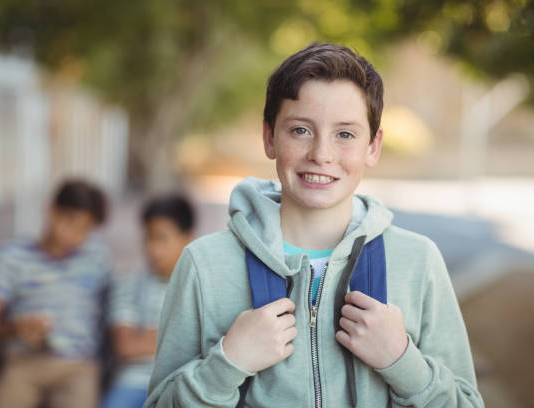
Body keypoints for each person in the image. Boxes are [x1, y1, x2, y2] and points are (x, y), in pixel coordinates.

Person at [145, 43, 485, 407]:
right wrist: (227, 364)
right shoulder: (204, 264)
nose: (322, 154)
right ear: (269, 137)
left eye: (345, 134)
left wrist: (402, 362)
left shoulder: (419, 262)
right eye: (301, 130)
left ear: (373, 146)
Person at [0, 179, 112, 408]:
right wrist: (15, 327)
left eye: (84, 229)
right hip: (23, 364)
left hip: (78, 368)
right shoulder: (11, 255)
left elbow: (114, 310)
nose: (75, 236)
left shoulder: (98, 257)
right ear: (51, 210)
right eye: (70, 223)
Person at [101, 195, 195, 408]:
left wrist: (146, 337)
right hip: (132, 383)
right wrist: (180, 339)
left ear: (188, 238)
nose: (153, 249)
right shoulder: (130, 284)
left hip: (183, 384)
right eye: (148, 238)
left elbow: (209, 345)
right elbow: (125, 346)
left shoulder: (200, 286)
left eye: (162, 238)